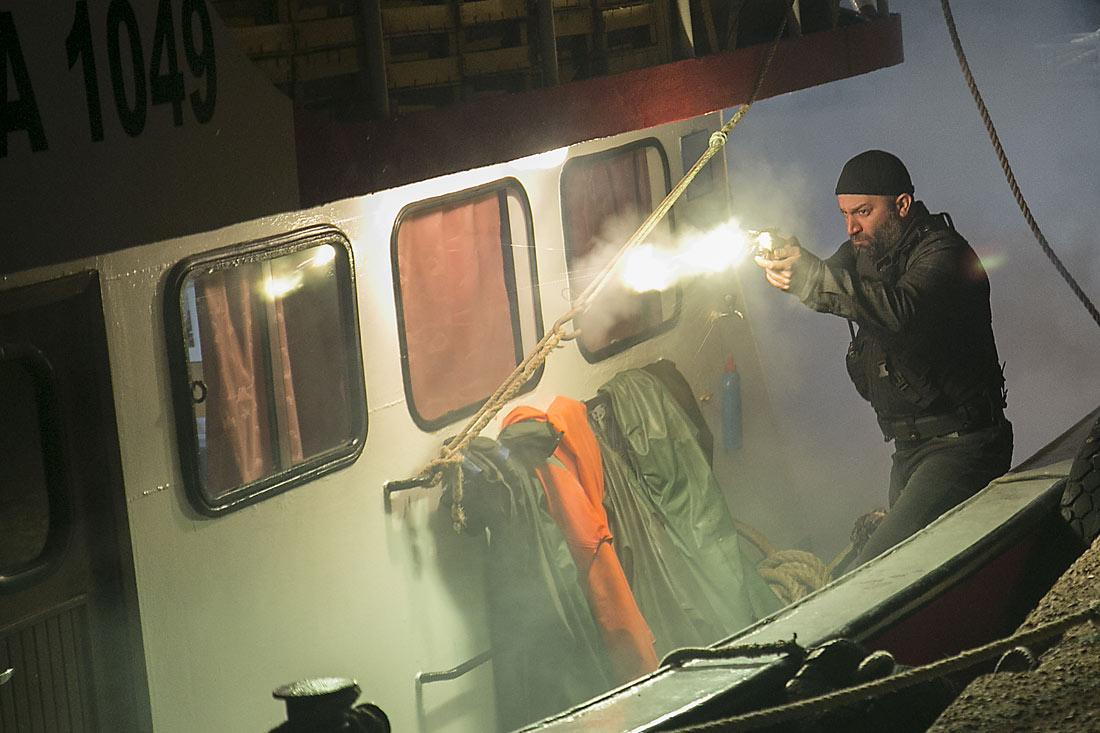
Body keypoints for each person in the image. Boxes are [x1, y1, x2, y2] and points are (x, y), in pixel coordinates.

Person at [753, 149, 1012, 567]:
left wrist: (813, 276)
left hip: (963, 446)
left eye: (863, 212)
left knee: (881, 567)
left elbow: (901, 311)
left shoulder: (945, 254)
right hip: (908, 451)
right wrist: (789, 260)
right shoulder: (865, 250)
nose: (851, 227)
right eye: (844, 214)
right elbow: (827, 279)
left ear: (902, 205)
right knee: (900, 564)